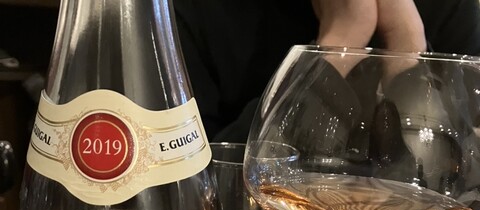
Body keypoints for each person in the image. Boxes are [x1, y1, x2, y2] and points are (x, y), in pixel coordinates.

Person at [173, 0, 480, 143]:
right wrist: (341, 42)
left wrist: (407, 42)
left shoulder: (448, 8)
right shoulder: (192, 12)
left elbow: (458, 199)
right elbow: (194, 200)